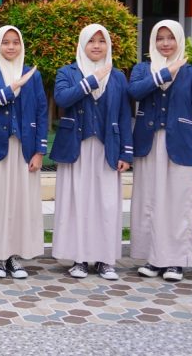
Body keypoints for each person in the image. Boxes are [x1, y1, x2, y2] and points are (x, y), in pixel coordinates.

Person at [50, 24, 133, 281]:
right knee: (78, 203)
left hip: (107, 148)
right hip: (76, 147)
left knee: (106, 204)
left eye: (102, 41)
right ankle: (80, 258)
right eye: (91, 41)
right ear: (82, 44)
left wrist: (126, 153)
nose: (97, 46)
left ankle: (106, 260)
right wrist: (91, 80)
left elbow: (125, 114)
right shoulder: (68, 72)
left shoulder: (117, 76)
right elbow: (62, 99)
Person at [128, 20, 192, 282]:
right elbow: (134, 92)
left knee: (178, 203)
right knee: (149, 201)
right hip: (148, 143)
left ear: (179, 40)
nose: (165, 43)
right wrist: (164, 73)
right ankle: (153, 258)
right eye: (160, 38)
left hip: (180, 144)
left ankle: (175, 261)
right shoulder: (142, 69)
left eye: (170, 38)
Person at [0, 25, 48, 279]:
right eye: (5, 42)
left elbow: (42, 112)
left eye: (15, 42)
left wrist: (40, 150)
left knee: (19, 202)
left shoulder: (33, 75)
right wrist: (12, 88)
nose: (11, 47)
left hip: (23, 149)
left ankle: (14, 255)